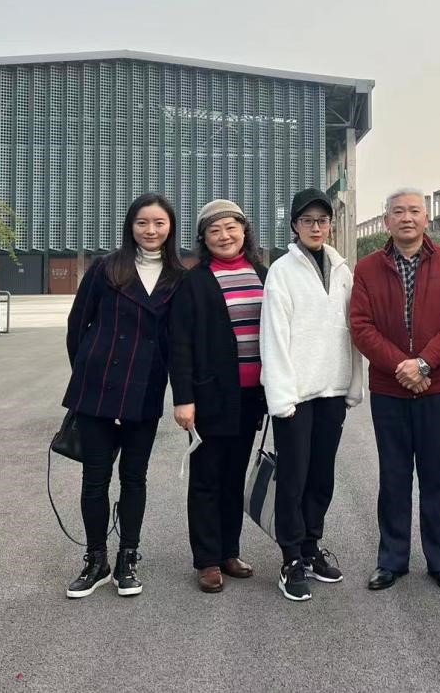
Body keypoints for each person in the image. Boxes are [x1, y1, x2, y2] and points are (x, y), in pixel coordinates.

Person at [61, 193, 184, 599]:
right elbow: (78, 325)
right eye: (142, 222)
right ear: (130, 226)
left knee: (134, 478)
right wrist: (88, 371)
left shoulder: (178, 277)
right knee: (94, 479)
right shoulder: (106, 267)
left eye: (159, 223)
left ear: (170, 228)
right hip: (97, 391)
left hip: (145, 391)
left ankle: (127, 558)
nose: (151, 230)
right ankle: (95, 559)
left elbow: (178, 342)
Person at [349, 188, 440, 593]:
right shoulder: (368, 268)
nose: (406, 218)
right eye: (398, 212)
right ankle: (391, 559)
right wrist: (400, 365)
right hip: (390, 389)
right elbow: (361, 325)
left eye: (414, 211)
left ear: (426, 218)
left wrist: (423, 363)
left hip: (438, 387)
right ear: (387, 221)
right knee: (394, 476)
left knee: (437, 477)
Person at [260, 188, 363, 602]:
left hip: (332, 389)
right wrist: (281, 396)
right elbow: (274, 336)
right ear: (294, 226)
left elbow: (352, 331)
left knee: (321, 475)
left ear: (331, 226)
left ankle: (310, 546)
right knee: (293, 477)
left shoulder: (342, 269)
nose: (316, 227)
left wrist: (353, 384)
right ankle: (290, 558)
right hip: (296, 395)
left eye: (322, 220)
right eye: (307, 221)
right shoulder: (281, 271)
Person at [168, 199, 268, 594]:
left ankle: (229, 551)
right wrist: (183, 398)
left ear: (244, 230)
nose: (225, 236)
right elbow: (180, 344)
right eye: (215, 230)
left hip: (251, 397)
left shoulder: (264, 274)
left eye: (231, 227)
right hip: (210, 397)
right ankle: (207, 559)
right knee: (207, 478)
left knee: (234, 477)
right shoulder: (194, 281)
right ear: (204, 238)